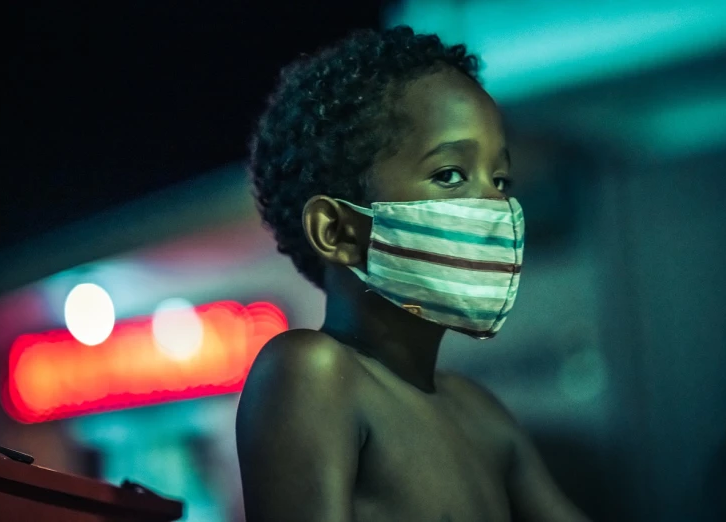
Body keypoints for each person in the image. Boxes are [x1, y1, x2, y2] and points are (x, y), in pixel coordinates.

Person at [236, 25, 591, 522]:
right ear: (337, 231)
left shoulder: (480, 414)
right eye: (450, 174)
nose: (496, 205)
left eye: (501, 179)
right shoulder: (310, 372)